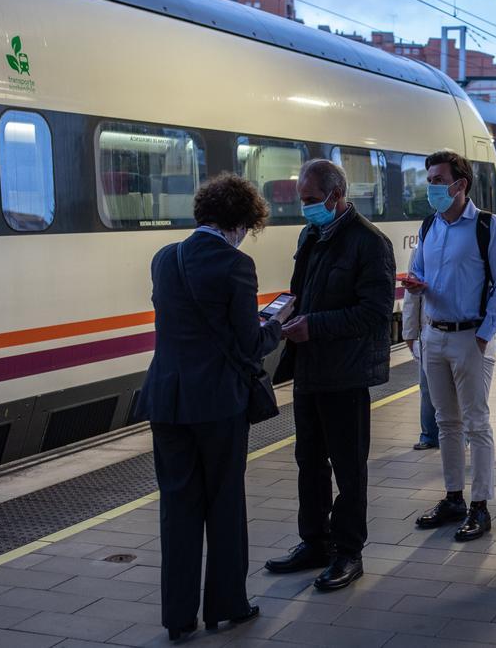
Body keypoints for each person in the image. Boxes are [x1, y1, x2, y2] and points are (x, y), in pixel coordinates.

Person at [133, 174, 283, 641]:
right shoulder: (235, 264)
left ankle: (178, 618)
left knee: (177, 509)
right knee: (223, 503)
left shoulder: (165, 259)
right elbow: (248, 342)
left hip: (166, 400)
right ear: (240, 222)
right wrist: (279, 324)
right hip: (217, 403)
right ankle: (227, 605)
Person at [264, 160, 395, 592]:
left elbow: (374, 314)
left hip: (346, 373)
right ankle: (314, 542)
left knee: (348, 466)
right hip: (309, 369)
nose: (304, 209)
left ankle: (348, 551)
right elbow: (300, 291)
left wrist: (314, 326)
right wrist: (281, 313)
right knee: (309, 462)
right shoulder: (311, 235)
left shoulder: (369, 243)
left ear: (335, 195)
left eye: (309, 200)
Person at [403, 150, 496, 542]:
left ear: (460, 184)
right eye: (429, 178)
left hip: (472, 337)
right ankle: (453, 497)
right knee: (445, 423)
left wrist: (485, 334)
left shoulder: (488, 227)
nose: (431, 186)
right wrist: (413, 318)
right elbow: (418, 273)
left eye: (437, 179)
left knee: (476, 423)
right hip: (434, 335)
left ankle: (480, 506)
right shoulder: (430, 225)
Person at [403, 282, 438, 450]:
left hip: (462, 332)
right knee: (427, 387)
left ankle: (462, 436)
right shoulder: (420, 253)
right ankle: (429, 434)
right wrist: (409, 334)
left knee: (460, 390)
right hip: (429, 330)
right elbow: (412, 296)